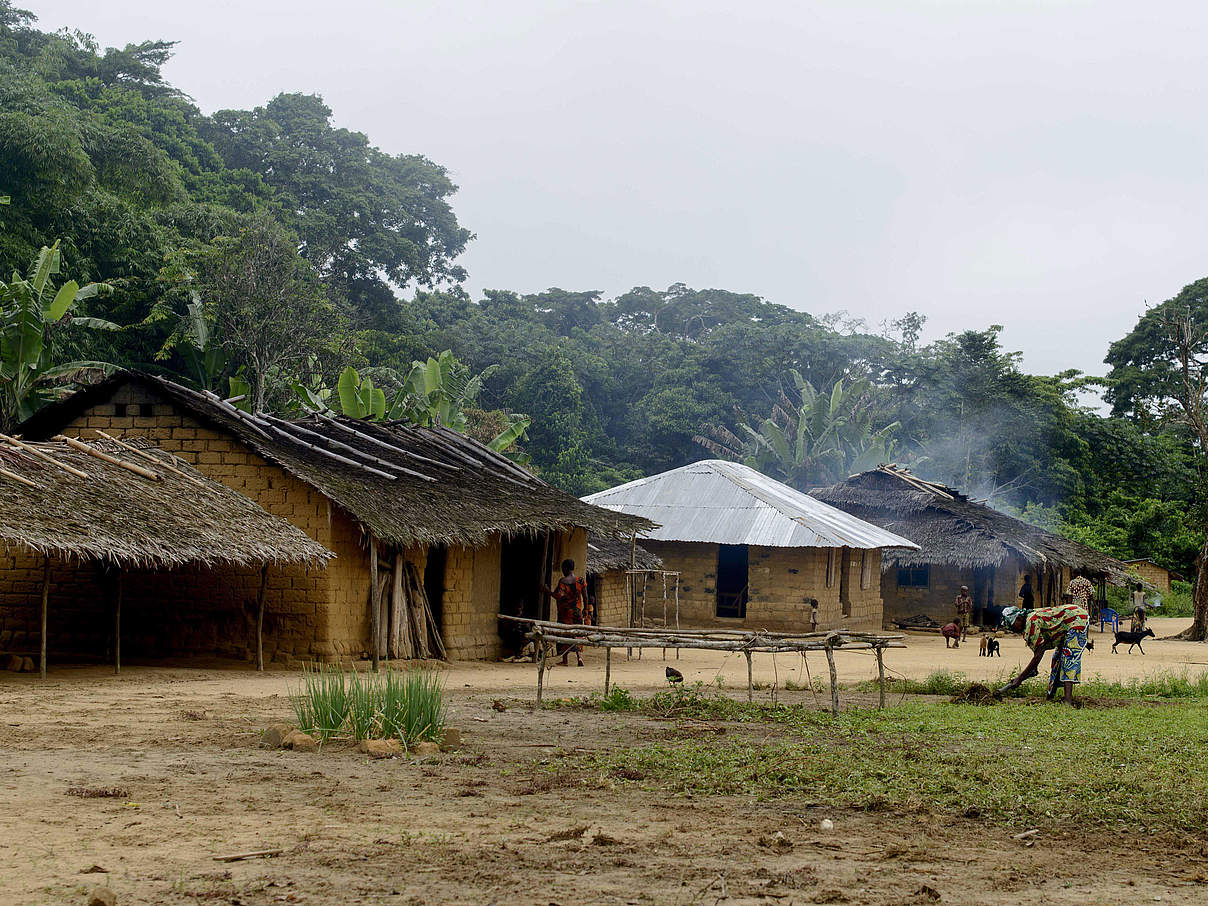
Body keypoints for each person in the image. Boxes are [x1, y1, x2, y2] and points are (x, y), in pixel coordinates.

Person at [999, 600, 1090, 705]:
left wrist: (1020, 678)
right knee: (1056, 659)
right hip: (1070, 624)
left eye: (1012, 625)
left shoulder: (1031, 623)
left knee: (1068, 658)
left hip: (1077, 619)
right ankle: (1050, 697)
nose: (1013, 629)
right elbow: (1053, 628)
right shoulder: (1029, 623)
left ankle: (1068, 701)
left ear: (1019, 618)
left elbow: (1038, 655)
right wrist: (1031, 670)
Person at [544, 558, 589, 667]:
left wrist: (547, 591)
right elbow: (586, 597)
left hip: (565, 613)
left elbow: (558, 596)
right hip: (577, 612)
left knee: (565, 634)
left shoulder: (563, 582)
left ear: (565, 568)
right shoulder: (581, 581)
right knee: (577, 634)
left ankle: (565, 660)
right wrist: (585, 609)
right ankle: (579, 658)